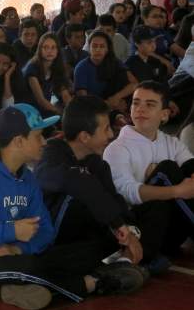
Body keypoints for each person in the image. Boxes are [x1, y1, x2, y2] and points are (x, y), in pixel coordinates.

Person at [0, 103, 146, 310]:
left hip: (18, 256)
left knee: (78, 253)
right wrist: (12, 231)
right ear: (19, 141)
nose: (44, 141)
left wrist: (16, 248)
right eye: (38, 136)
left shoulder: (28, 180)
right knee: (30, 266)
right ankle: (93, 283)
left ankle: (24, 289)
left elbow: (45, 232)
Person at [36, 95, 171, 274]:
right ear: (85, 136)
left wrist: (128, 229)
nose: (111, 134)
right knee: (78, 191)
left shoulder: (97, 163)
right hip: (60, 242)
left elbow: (114, 199)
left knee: (156, 205)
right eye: (106, 128)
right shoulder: (51, 155)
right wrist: (118, 225)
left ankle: (128, 258)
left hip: (96, 234)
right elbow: (79, 183)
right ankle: (127, 261)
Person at [105, 81, 194, 256]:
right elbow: (126, 192)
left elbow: (190, 166)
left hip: (172, 230)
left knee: (180, 170)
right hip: (139, 231)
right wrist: (176, 190)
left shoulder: (172, 143)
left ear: (164, 115)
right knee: (166, 170)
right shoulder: (117, 148)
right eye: (136, 103)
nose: (140, 109)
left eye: (150, 104)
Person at [74, 31, 137, 117]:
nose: (98, 49)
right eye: (94, 46)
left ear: (107, 49)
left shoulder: (115, 62)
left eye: (102, 46)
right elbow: (83, 100)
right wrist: (109, 104)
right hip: (93, 110)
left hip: (117, 104)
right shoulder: (81, 68)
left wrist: (117, 97)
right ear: (89, 47)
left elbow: (134, 84)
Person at [24, 32, 73, 116]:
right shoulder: (32, 68)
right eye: (45, 47)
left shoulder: (57, 67)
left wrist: (73, 110)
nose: (49, 51)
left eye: (53, 47)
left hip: (44, 110)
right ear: (40, 49)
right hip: (28, 111)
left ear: (58, 50)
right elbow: (41, 101)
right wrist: (62, 113)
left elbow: (65, 95)